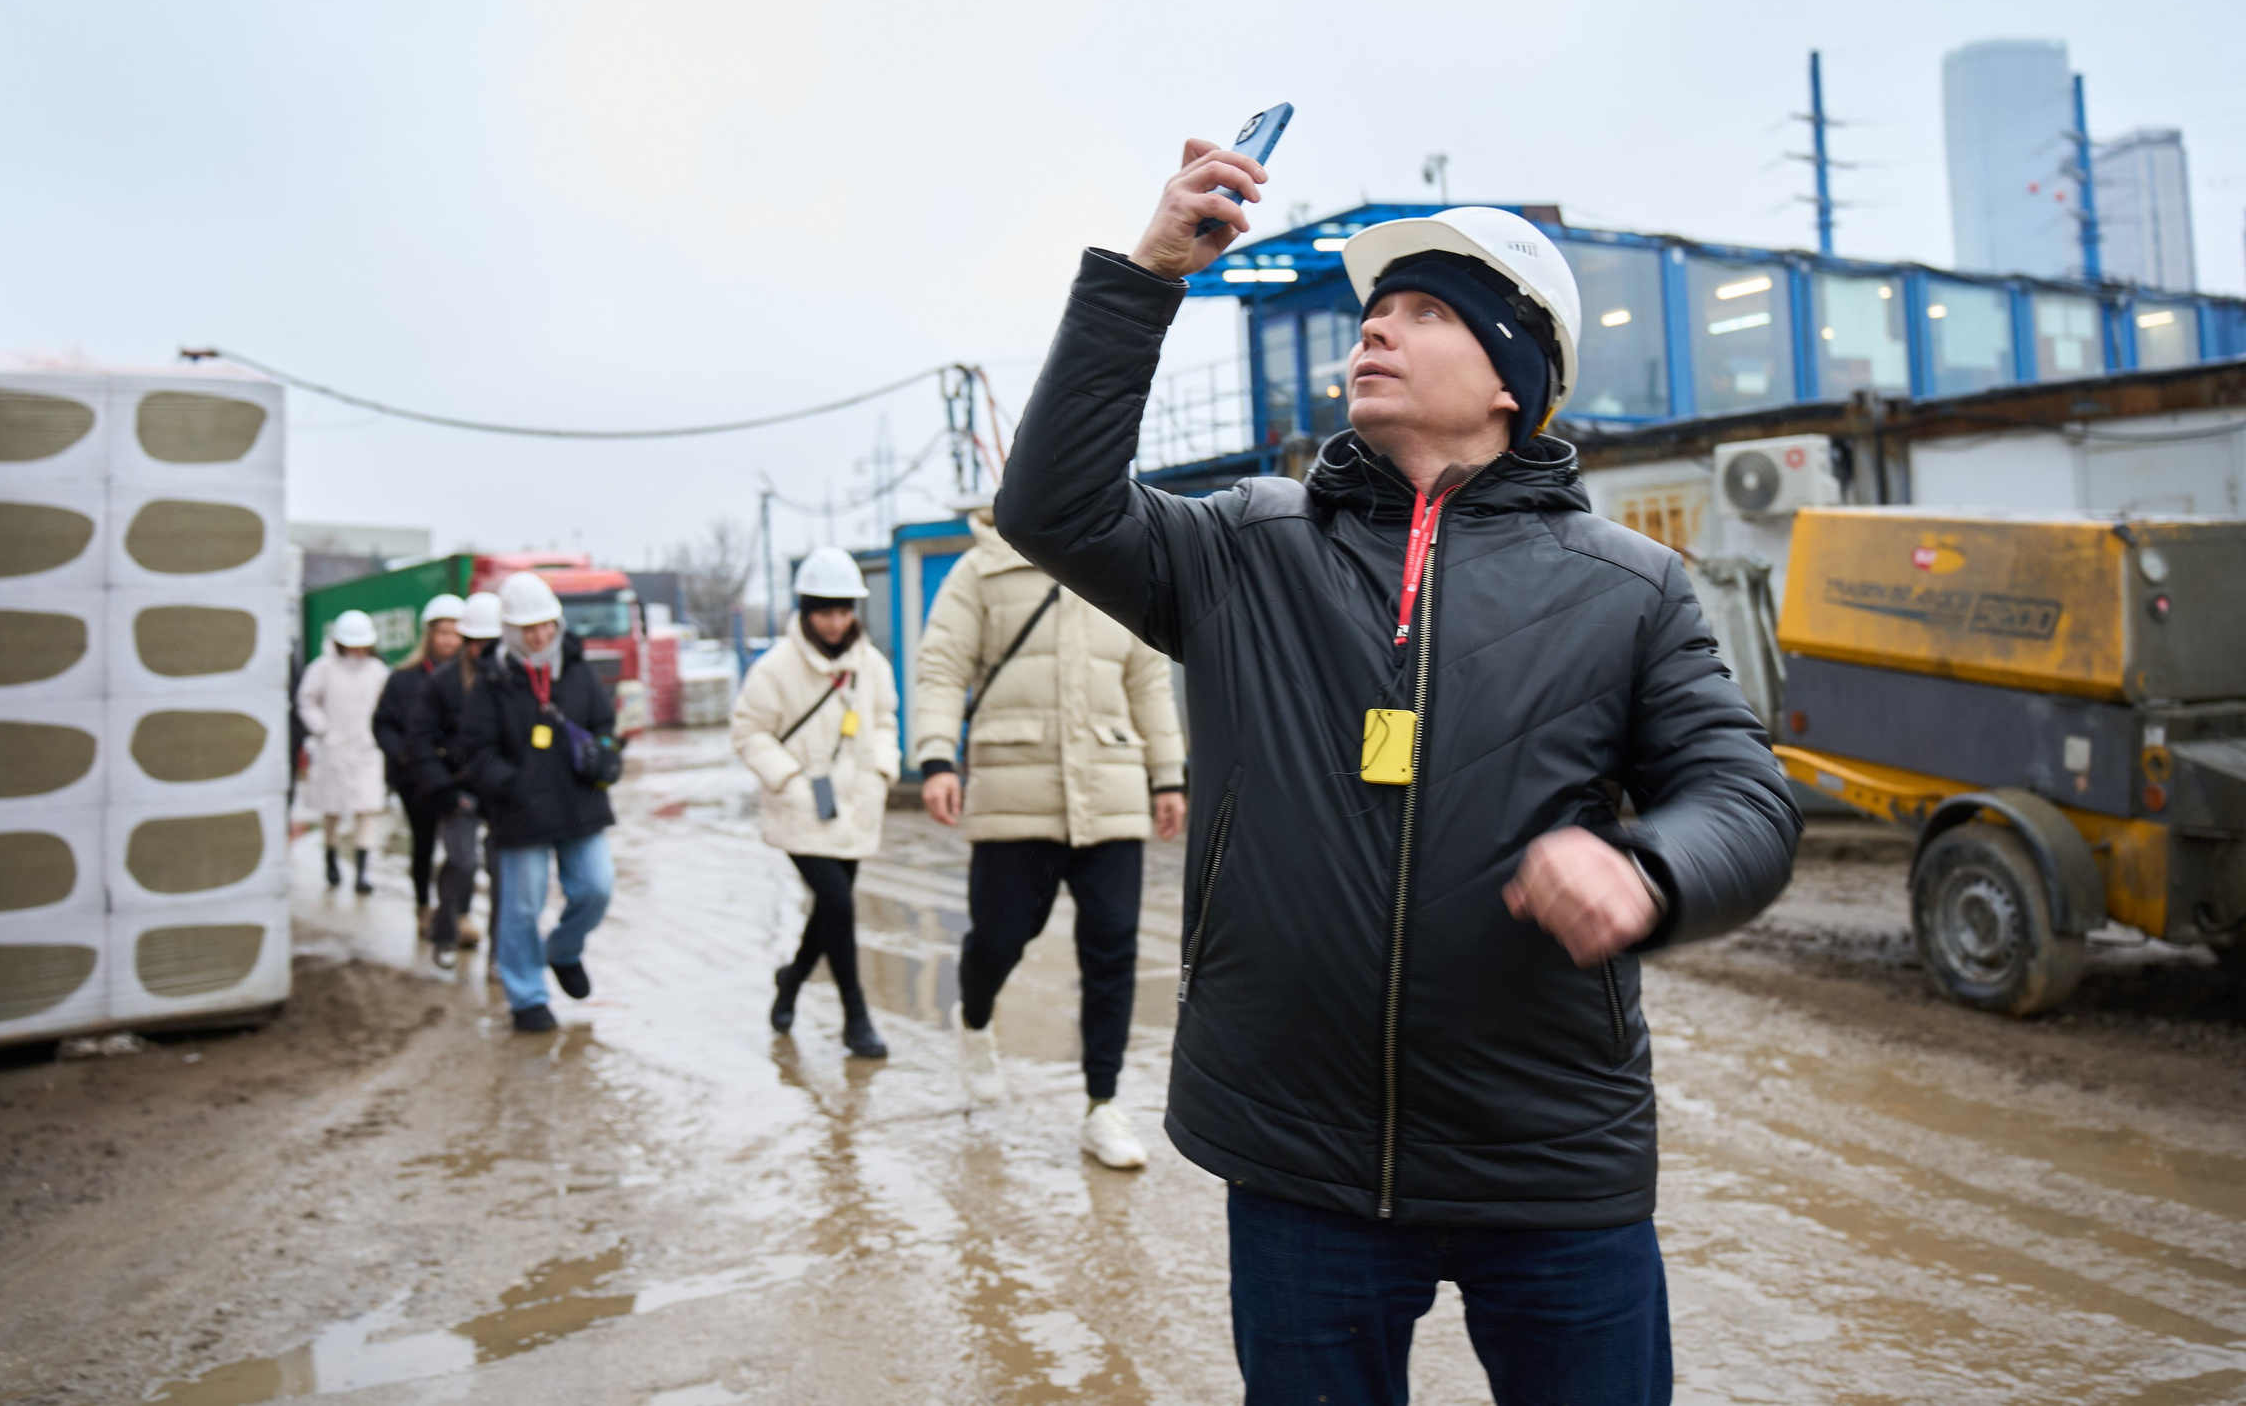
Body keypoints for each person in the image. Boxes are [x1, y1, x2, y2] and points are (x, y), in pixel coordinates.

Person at [994, 144, 1802, 1406]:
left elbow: (1744, 800)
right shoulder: (1245, 549)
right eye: (1373, 313)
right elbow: (1050, 507)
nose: (1376, 331)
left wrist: (1646, 869)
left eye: (1426, 313)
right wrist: (1148, 275)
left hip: (1548, 1156)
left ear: (1510, 380)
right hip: (1299, 1158)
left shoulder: (1628, 588)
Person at [911, 505, 1187, 1169]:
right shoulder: (981, 569)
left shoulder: (1122, 567)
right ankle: (974, 1019)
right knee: (1000, 937)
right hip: (1015, 788)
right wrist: (936, 758)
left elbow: (1147, 679)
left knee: (1111, 948)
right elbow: (943, 667)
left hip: (1111, 784)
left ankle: (1102, 1103)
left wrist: (1167, 773)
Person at [729, 547, 900, 1061]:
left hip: (855, 803)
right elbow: (749, 731)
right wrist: (790, 781)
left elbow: (887, 718)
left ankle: (792, 980)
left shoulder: (870, 664)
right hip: (802, 806)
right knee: (839, 905)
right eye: (824, 610)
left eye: (844, 610)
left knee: (830, 908)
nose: (835, 622)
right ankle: (856, 1019)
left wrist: (885, 767)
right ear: (805, 609)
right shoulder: (776, 668)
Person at [457, 572, 621, 1033]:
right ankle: (527, 996)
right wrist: (513, 785)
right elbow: (474, 752)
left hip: (579, 804)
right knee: (522, 907)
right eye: (529, 628)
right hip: (521, 812)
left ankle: (564, 950)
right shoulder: (492, 681)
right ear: (510, 631)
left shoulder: (577, 668)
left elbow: (605, 722)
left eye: (547, 624)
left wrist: (605, 753)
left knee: (596, 887)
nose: (540, 635)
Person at [406, 590, 502, 966]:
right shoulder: (442, 683)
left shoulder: (512, 682)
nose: (483, 650)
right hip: (457, 788)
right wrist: (443, 788)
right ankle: (445, 931)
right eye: (476, 642)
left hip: (499, 790)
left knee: (503, 872)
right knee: (462, 862)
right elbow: (419, 739)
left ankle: (501, 953)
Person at [374, 594, 468, 934]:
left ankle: (458, 913)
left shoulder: (474, 679)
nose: (449, 640)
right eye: (443, 633)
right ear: (429, 635)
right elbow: (383, 723)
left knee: (461, 851)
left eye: (456, 633)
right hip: (415, 779)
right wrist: (403, 753)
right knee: (424, 843)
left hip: (456, 776)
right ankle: (423, 907)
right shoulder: (403, 679)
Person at [295, 609, 393, 896]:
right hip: (334, 750)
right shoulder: (322, 668)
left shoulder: (377, 671)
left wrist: (382, 737)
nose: (358, 649)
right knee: (333, 809)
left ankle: (362, 871)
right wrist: (321, 728)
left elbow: (389, 707)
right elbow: (306, 700)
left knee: (368, 809)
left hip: (367, 749)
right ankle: (331, 855)